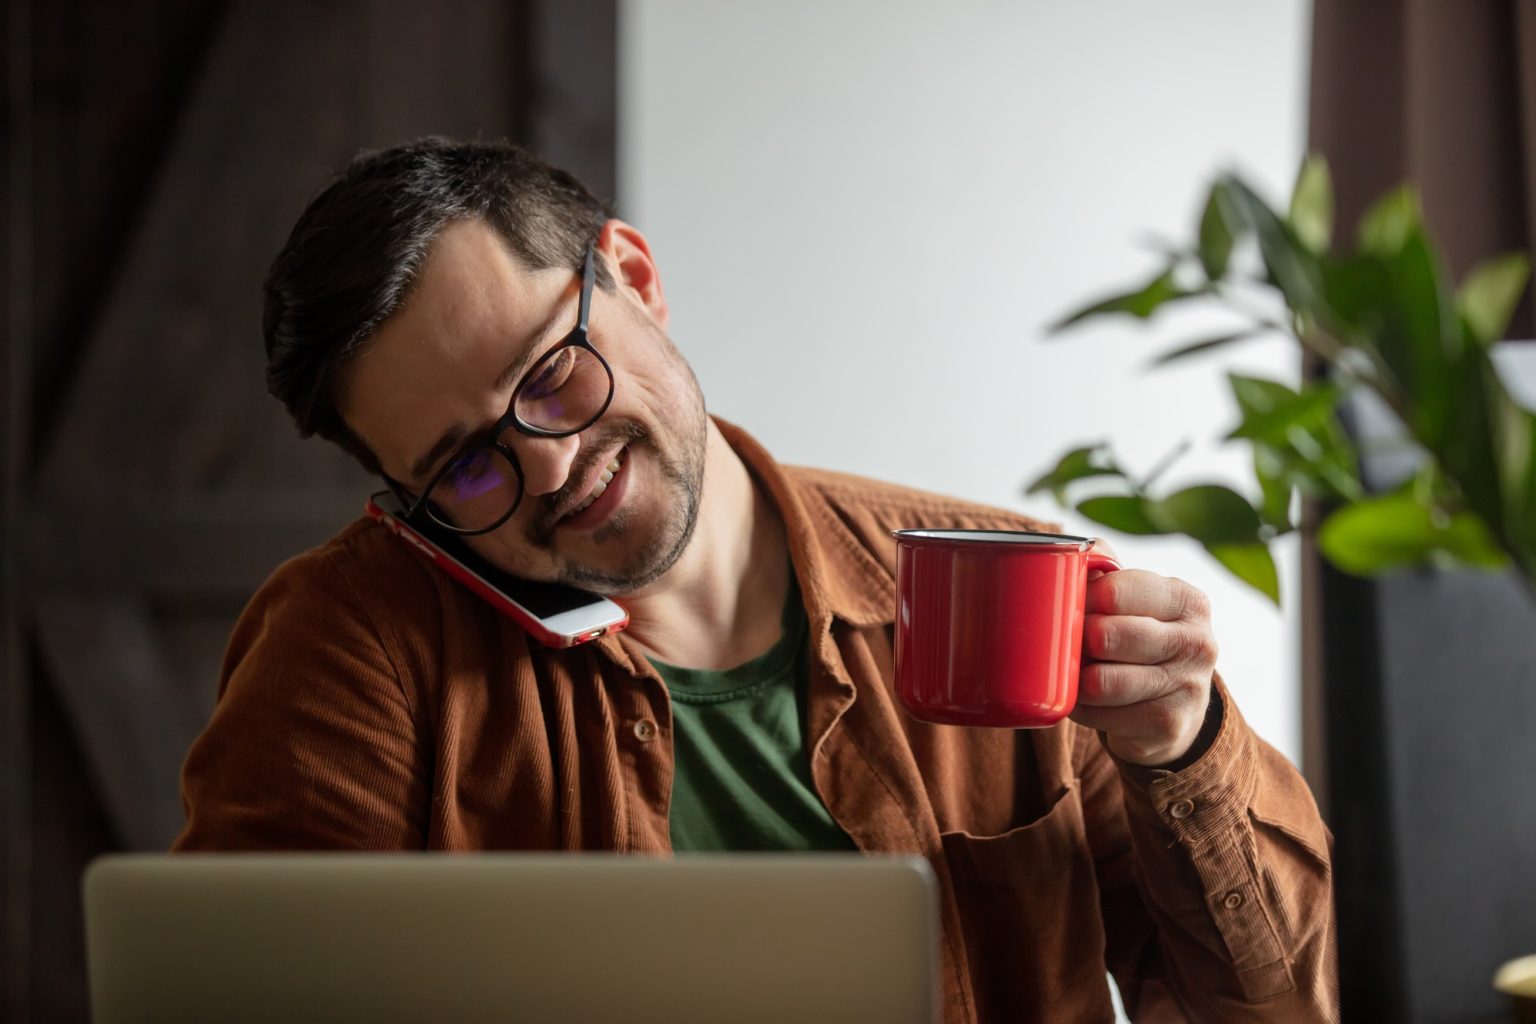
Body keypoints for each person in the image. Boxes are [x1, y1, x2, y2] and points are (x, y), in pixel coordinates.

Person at [175, 137, 1337, 1022]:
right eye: (465, 467)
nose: (548, 463)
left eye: (553, 375)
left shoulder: (1000, 575)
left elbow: (1275, 1007)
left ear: (630, 274)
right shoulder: (350, 646)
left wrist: (1180, 754)